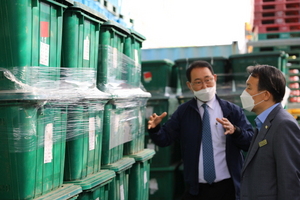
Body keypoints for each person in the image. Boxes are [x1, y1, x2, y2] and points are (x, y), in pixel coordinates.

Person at [148, 60, 254, 200]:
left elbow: (250, 142)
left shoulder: (231, 111)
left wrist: (236, 131)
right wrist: (155, 129)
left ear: (215, 78)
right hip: (197, 189)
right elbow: (164, 139)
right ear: (189, 86)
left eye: (208, 80)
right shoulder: (183, 112)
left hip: (229, 187)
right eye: (198, 82)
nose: (205, 86)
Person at [240, 64, 300, 199]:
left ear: (265, 95)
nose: (244, 92)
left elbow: (290, 181)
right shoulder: (263, 122)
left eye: (249, 87)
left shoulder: (283, 125)